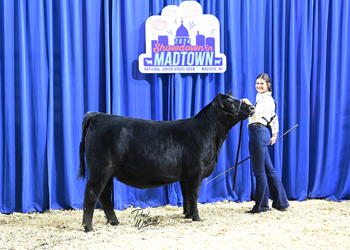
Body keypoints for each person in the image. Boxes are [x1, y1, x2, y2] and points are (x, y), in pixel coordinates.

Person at [242, 73, 289, 213]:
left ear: (268, 85)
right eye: (257, 83)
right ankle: (281, 203)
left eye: (262, 83)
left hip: (258, 133)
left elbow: (258, 117)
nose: (259, 86)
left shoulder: (266, 100)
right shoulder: (263, 98)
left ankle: (261, 206)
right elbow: (274, 118)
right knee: (269, 170)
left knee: (259, 172)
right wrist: (274, 134)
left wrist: (250, 106)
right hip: (261, 133)